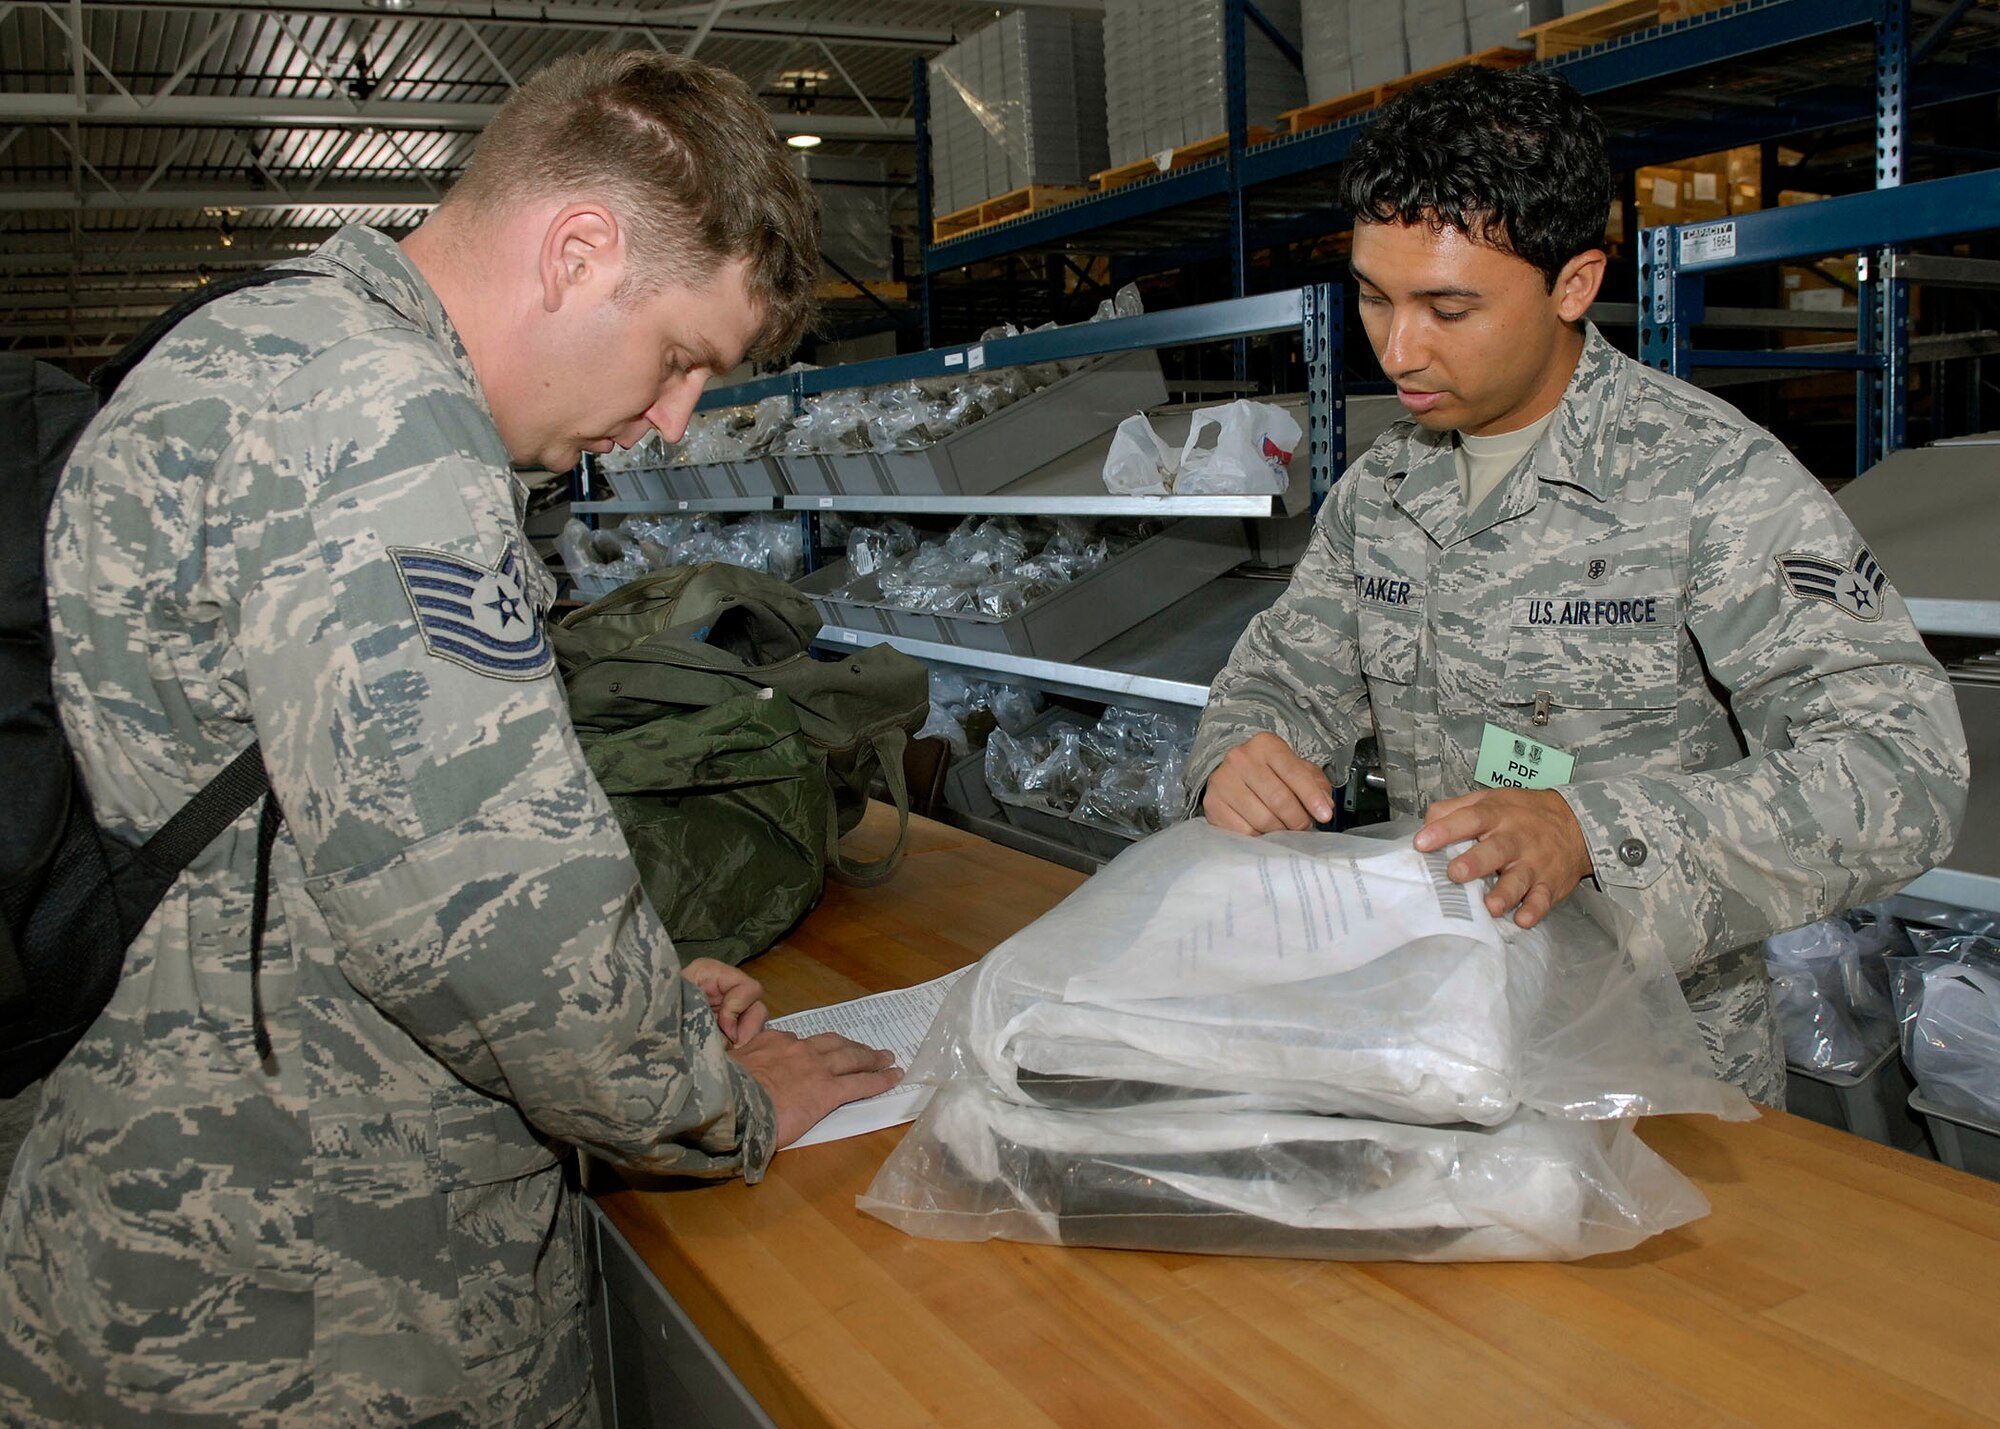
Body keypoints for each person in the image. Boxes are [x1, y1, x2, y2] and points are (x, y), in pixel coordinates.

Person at [0, 49, 901, 1426]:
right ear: (580, 249)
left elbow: (334, 847)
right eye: (677, 359)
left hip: (165, 1230)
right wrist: (714, 1091)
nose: (671, 424)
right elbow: (493, 919)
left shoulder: (263, 341)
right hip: (316, 1316)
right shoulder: (383, 421)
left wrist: (645, 991)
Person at [1187, 67, 1968, 1105]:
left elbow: (1902, 770)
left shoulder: (1707, 482)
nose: (1395, 347)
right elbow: (1278, 682)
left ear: (1573, 284)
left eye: (1446, 306)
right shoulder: (1384, 486)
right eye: (1373, 296)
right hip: (1441, 1038)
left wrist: (1594, 833)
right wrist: (1234, 756)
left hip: (1656, 1077)